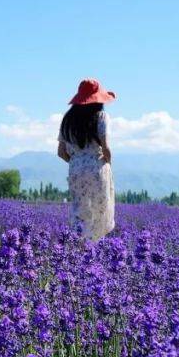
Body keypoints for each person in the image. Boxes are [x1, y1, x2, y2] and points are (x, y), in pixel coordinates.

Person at [57, 78, 116, 240]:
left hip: (76, 170)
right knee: (100, 210)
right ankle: (95, 250)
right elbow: (106, 147)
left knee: (80, 210)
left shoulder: (67, 119)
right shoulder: (101, 116)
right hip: (97, 169)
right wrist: (108, 162)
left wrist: (77, 162)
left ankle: (78, 248)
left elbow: (61, 152)